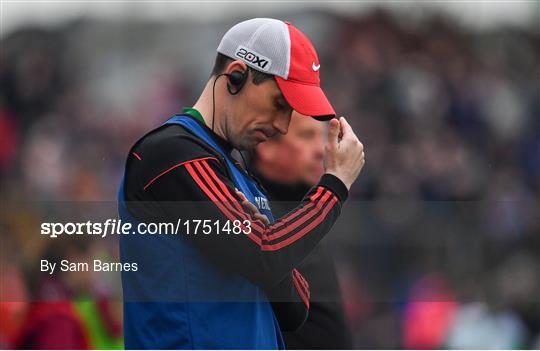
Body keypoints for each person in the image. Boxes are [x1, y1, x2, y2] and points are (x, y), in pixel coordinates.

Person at [118, 18, 365, 349]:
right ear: (236, 75)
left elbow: (295, 309)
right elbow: (265, 256)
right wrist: (335, 185)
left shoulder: (236, 172)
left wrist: (265, 242)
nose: (281, 125)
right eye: (279, 104)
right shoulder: (173, 153)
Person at [253, 111, 353, 349]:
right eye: (306, 136)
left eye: (321, 137)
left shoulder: (303, 213)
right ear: (266, 146)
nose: (321, 150)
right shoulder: (258, 217)